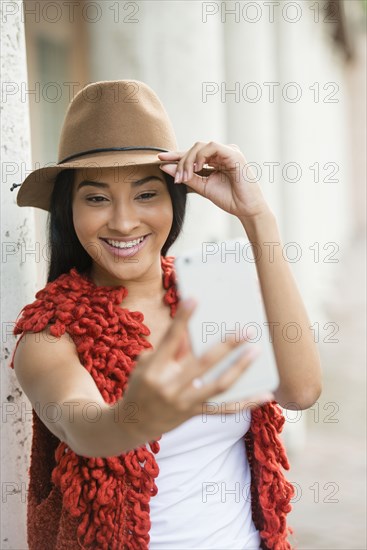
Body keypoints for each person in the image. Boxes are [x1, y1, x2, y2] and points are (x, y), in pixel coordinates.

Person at [8, 80, 322, 550]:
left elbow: (300, 391)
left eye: (146, 194)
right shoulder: (51, 333)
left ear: (173, 201)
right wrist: (140, 415)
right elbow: (86, 428)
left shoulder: (210, 293)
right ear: (66, 210)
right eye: (95, 198)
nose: (123, 220)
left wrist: (257, 217)